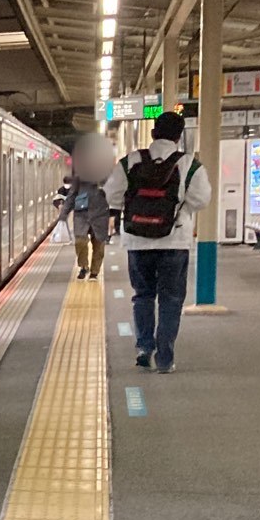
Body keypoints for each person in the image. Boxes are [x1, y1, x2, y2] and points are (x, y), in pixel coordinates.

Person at [103, 110, 211, 374]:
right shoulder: (190, 165)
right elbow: (201, 200)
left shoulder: (130, 162)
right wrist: (178, 209)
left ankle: (144, 348)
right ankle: (164, 358)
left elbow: (111, 195)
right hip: (175, 241)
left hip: (137, 241)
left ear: (152, 134)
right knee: (171, 299)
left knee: (143, 295)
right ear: (179, 136)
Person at [55, 172, 111, 279]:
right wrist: (63, 215)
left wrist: (114, 214)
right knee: (80, 240)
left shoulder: (106, 178)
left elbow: (114, 195)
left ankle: (95, 271)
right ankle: (83, 266)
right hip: (81, 215)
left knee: (99, 244)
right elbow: (71, 197)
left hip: (100, 216)